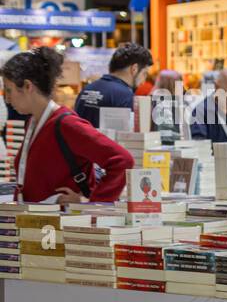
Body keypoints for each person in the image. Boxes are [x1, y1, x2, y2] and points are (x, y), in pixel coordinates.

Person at [2, 46, 131, 204]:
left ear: (28, 87)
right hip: (36, 223)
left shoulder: (67, 124)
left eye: (9, 90)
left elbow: (122, 160)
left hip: (61, 225)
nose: (7, 99)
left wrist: (93, 205)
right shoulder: (32, 123)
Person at [74, 42, 152, 129]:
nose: (144, 81)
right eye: (145, 73)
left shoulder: (86, 90)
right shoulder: (125, 96)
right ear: (134, 69)